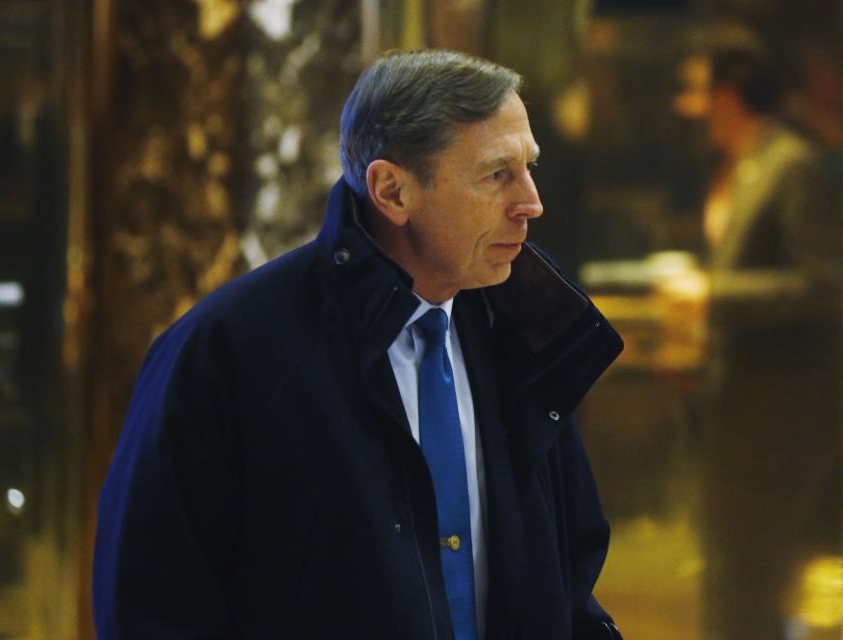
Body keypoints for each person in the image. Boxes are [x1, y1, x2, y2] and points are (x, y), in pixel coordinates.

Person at [93, 49, 624, 640]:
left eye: (529, 167)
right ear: (392, 192)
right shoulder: (226, 352)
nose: (531, 203)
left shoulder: (521, 334)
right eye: (497, 175)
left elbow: (570, 576)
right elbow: (153, 604)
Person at [695, 45, 843, 640]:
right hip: (736, 401)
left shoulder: (792, 164)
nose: (691, 105)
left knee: (753, 569)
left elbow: (825, 284)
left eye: (698, 89)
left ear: (728, 95)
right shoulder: (745, 160)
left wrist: (712, 293)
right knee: (734, 565)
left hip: (778, 410)